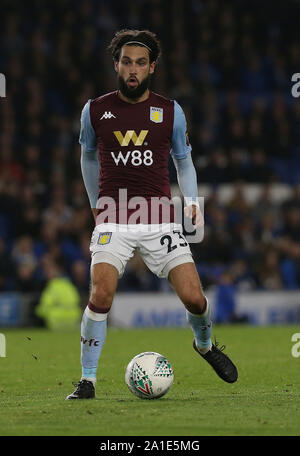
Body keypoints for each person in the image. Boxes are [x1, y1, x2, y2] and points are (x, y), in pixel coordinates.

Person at [66, 29, 238, 400]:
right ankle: (88, 380)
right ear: (116, 65)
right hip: (114, 215)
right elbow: (88, 156)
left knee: (194, 298)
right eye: (126, 62)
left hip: (159, 216)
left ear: (152, 68)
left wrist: (191, 200)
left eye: (140, 63)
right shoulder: (94, 110)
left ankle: (205, 345)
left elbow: (183, 159)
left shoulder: (170, 111)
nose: (133, 69)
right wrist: (98, 203)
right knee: (102, 293)